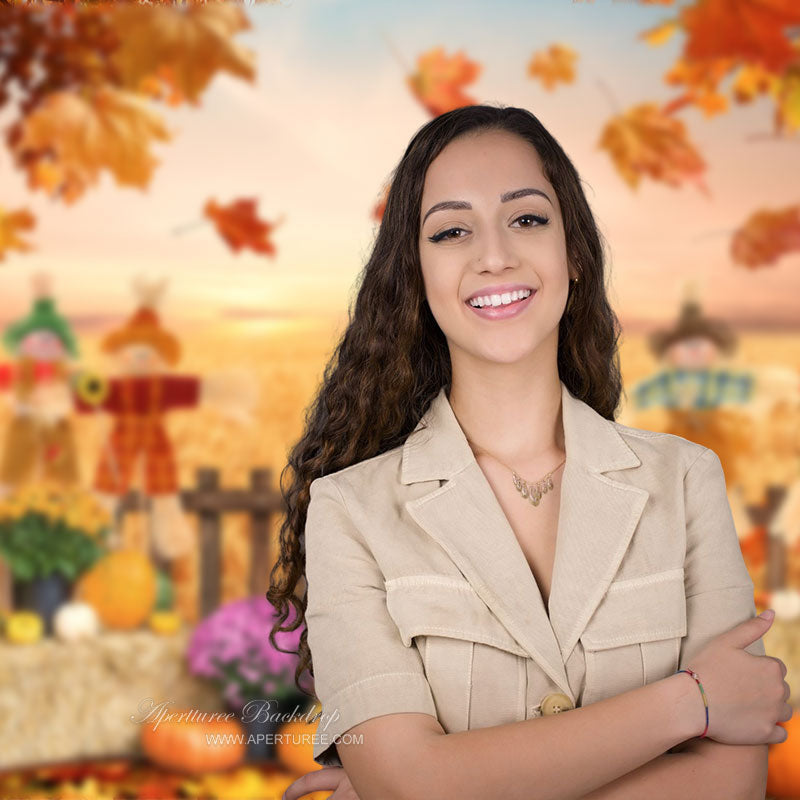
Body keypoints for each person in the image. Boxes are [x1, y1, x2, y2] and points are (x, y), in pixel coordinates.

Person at [268, 104, 792, 800]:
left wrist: (436, 784)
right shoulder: (348, 512)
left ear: (572, 251)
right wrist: (689, 703)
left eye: (527, 218)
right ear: (415, 277)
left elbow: (731, 787)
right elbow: (410, 785)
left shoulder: (687, 480)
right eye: (452, 231)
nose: (494, 256)